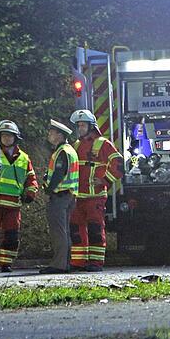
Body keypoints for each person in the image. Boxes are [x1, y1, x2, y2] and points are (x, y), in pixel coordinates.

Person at [71, 109, 123, 271]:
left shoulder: (103, 143)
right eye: (78, 125)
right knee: (76, 229)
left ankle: (96, 262)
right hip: (78, 196)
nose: (80, 128)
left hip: (95, 196)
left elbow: (119, 164)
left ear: (91, 126)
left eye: (83, 125)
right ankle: (79, 262)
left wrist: (105, 180)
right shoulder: (76, 145)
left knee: (95, 229)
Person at [0, 121, 37, 272]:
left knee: (12, 235)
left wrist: (30, 192)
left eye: (10, 136)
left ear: (16, 138)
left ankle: (6, 263)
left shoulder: (24, 158)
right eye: (4, 136)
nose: (7, 139)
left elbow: (31, 178)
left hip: (14, 204)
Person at [41, 119, 79, 274]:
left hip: (60, 196)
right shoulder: (69, 150)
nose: (49, 134)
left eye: (52, 132)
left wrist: (49, 189)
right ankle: (65, 263)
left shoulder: (62, 151)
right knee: (64, 231)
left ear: (59, 135)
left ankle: (59, 264)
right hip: (69, 196)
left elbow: (59, 173)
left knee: (58, 231)